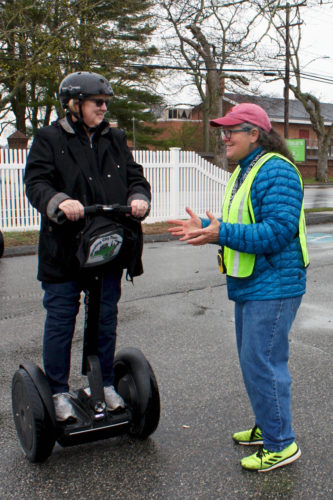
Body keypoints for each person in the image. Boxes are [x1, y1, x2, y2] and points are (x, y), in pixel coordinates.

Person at [168, 102, 309, 472]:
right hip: (252, 282)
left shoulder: (276, 170)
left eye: (233, 129)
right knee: (254, 362)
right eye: (223, 129)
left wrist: (221, 232)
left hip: (275, 283)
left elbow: (278, 231)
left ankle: (282, 443)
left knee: (262, 361)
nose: (225, 136)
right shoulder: (247, 170)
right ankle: (269, 426)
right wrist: (205, 225)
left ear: (255, 134)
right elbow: (236, 221)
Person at [24, 71, 151, 421]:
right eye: (98, 102)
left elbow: (136, 177)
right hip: (64, 250)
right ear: (73, 104)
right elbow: (35, 182)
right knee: (63, 318)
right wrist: (60, 201)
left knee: (105, 317)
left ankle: (104, 384)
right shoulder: (49, 138)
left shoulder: (115, 138)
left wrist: (138, 197)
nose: (103, 107)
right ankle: (57, 391)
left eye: (106, 102)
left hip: (106, 247)